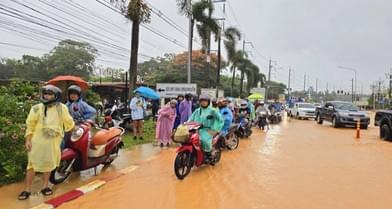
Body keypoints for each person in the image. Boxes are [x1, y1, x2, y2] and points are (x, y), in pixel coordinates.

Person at [18, 85, 75, 200]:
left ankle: (45, 186)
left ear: (56, 96)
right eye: (45, 94)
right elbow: (30, 124)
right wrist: (28, 139)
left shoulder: (61, 108)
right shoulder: (36, 108)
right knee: (31, 166)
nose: (47, 96)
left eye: (50, 94)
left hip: (52, 142)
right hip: (36, 141)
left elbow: (69, 122)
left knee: (49, 164)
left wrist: (72, 129)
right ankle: (27, 189)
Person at [188, 94, 224, 161]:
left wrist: (217, 129)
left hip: (209, 130)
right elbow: (190, 119)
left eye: (205, 101)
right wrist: (185, 124)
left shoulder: (212, 111)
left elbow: (220, 120)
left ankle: (208, 154)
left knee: (205, 141)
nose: (203, 102)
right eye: (202, 101)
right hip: (197, 129)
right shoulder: (197, 111)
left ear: (208, 102)